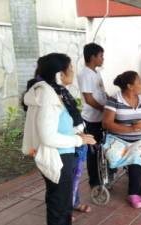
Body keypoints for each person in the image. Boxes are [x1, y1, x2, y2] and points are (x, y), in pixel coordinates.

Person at [22, 53, 96, 225]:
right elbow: (48, 136)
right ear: (59, 74)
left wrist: (77, 135)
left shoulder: (52, 92)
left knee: (61, 203)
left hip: (61, 154)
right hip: (58, 157)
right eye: (69, 68)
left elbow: (56, 125)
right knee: (60, 206)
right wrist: (79, 141)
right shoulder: (47, 94)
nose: (72, 71)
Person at [102, 71, 141, 208]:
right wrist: (130, 129)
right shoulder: (114, 100)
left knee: (137, 154)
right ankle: (112, 174)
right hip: (119, 139)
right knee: (112, 154)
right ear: (129, 86)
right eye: (138, 82)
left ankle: (134, 193)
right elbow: (107, 123)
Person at [77, 43, 107, 188]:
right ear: (92, 57)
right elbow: (89, 99)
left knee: (102, 148)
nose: (103, 58)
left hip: (101, 118)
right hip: (91, 119)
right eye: (101, 56)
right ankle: (94, 182)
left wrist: (111, 103)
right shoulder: (85, 74)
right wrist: (103, 109)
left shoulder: (96, 72)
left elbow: (102, 92)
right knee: (93, 151)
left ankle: (104, 176)